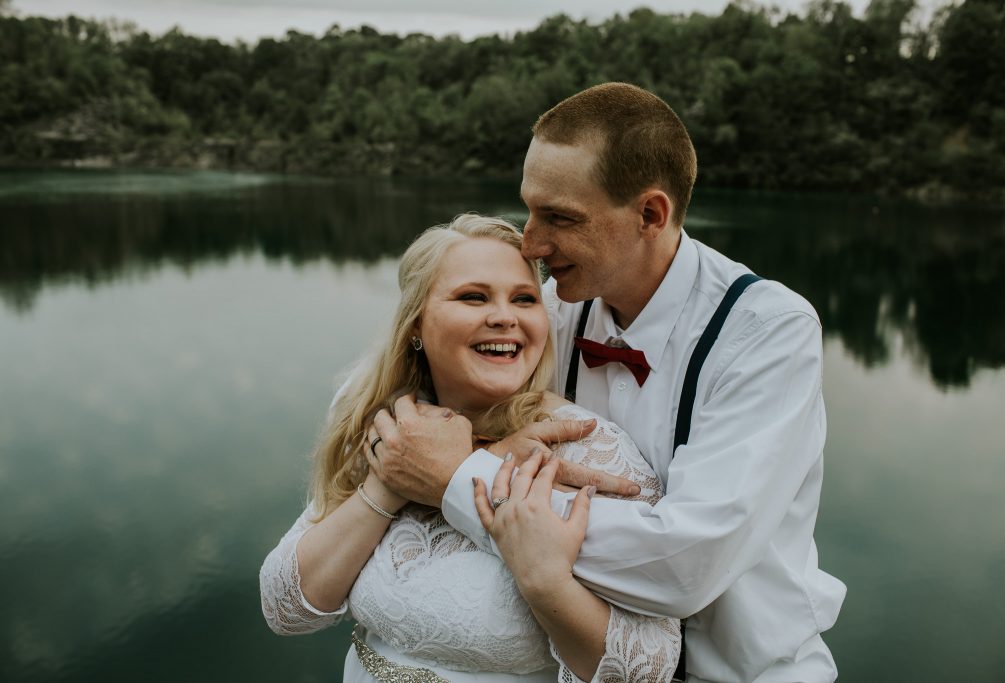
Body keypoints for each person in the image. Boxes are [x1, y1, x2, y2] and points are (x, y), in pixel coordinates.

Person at [366, 83, 847, 683]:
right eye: (530, 209)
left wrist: (462, 480)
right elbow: (420, 408)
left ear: (651, 214)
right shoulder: (543, 312)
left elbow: (684, 564)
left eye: (560, 218)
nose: (531, 245)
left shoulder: (766, 331)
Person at [259, 214, 682, 682]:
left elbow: (651, 668)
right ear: (416, 323)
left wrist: (545, 581)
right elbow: (287, 611)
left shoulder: (588, 449)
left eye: (524, 299)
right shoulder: (391, 425)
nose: (504, 316)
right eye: (473, 297)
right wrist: (389, 485)